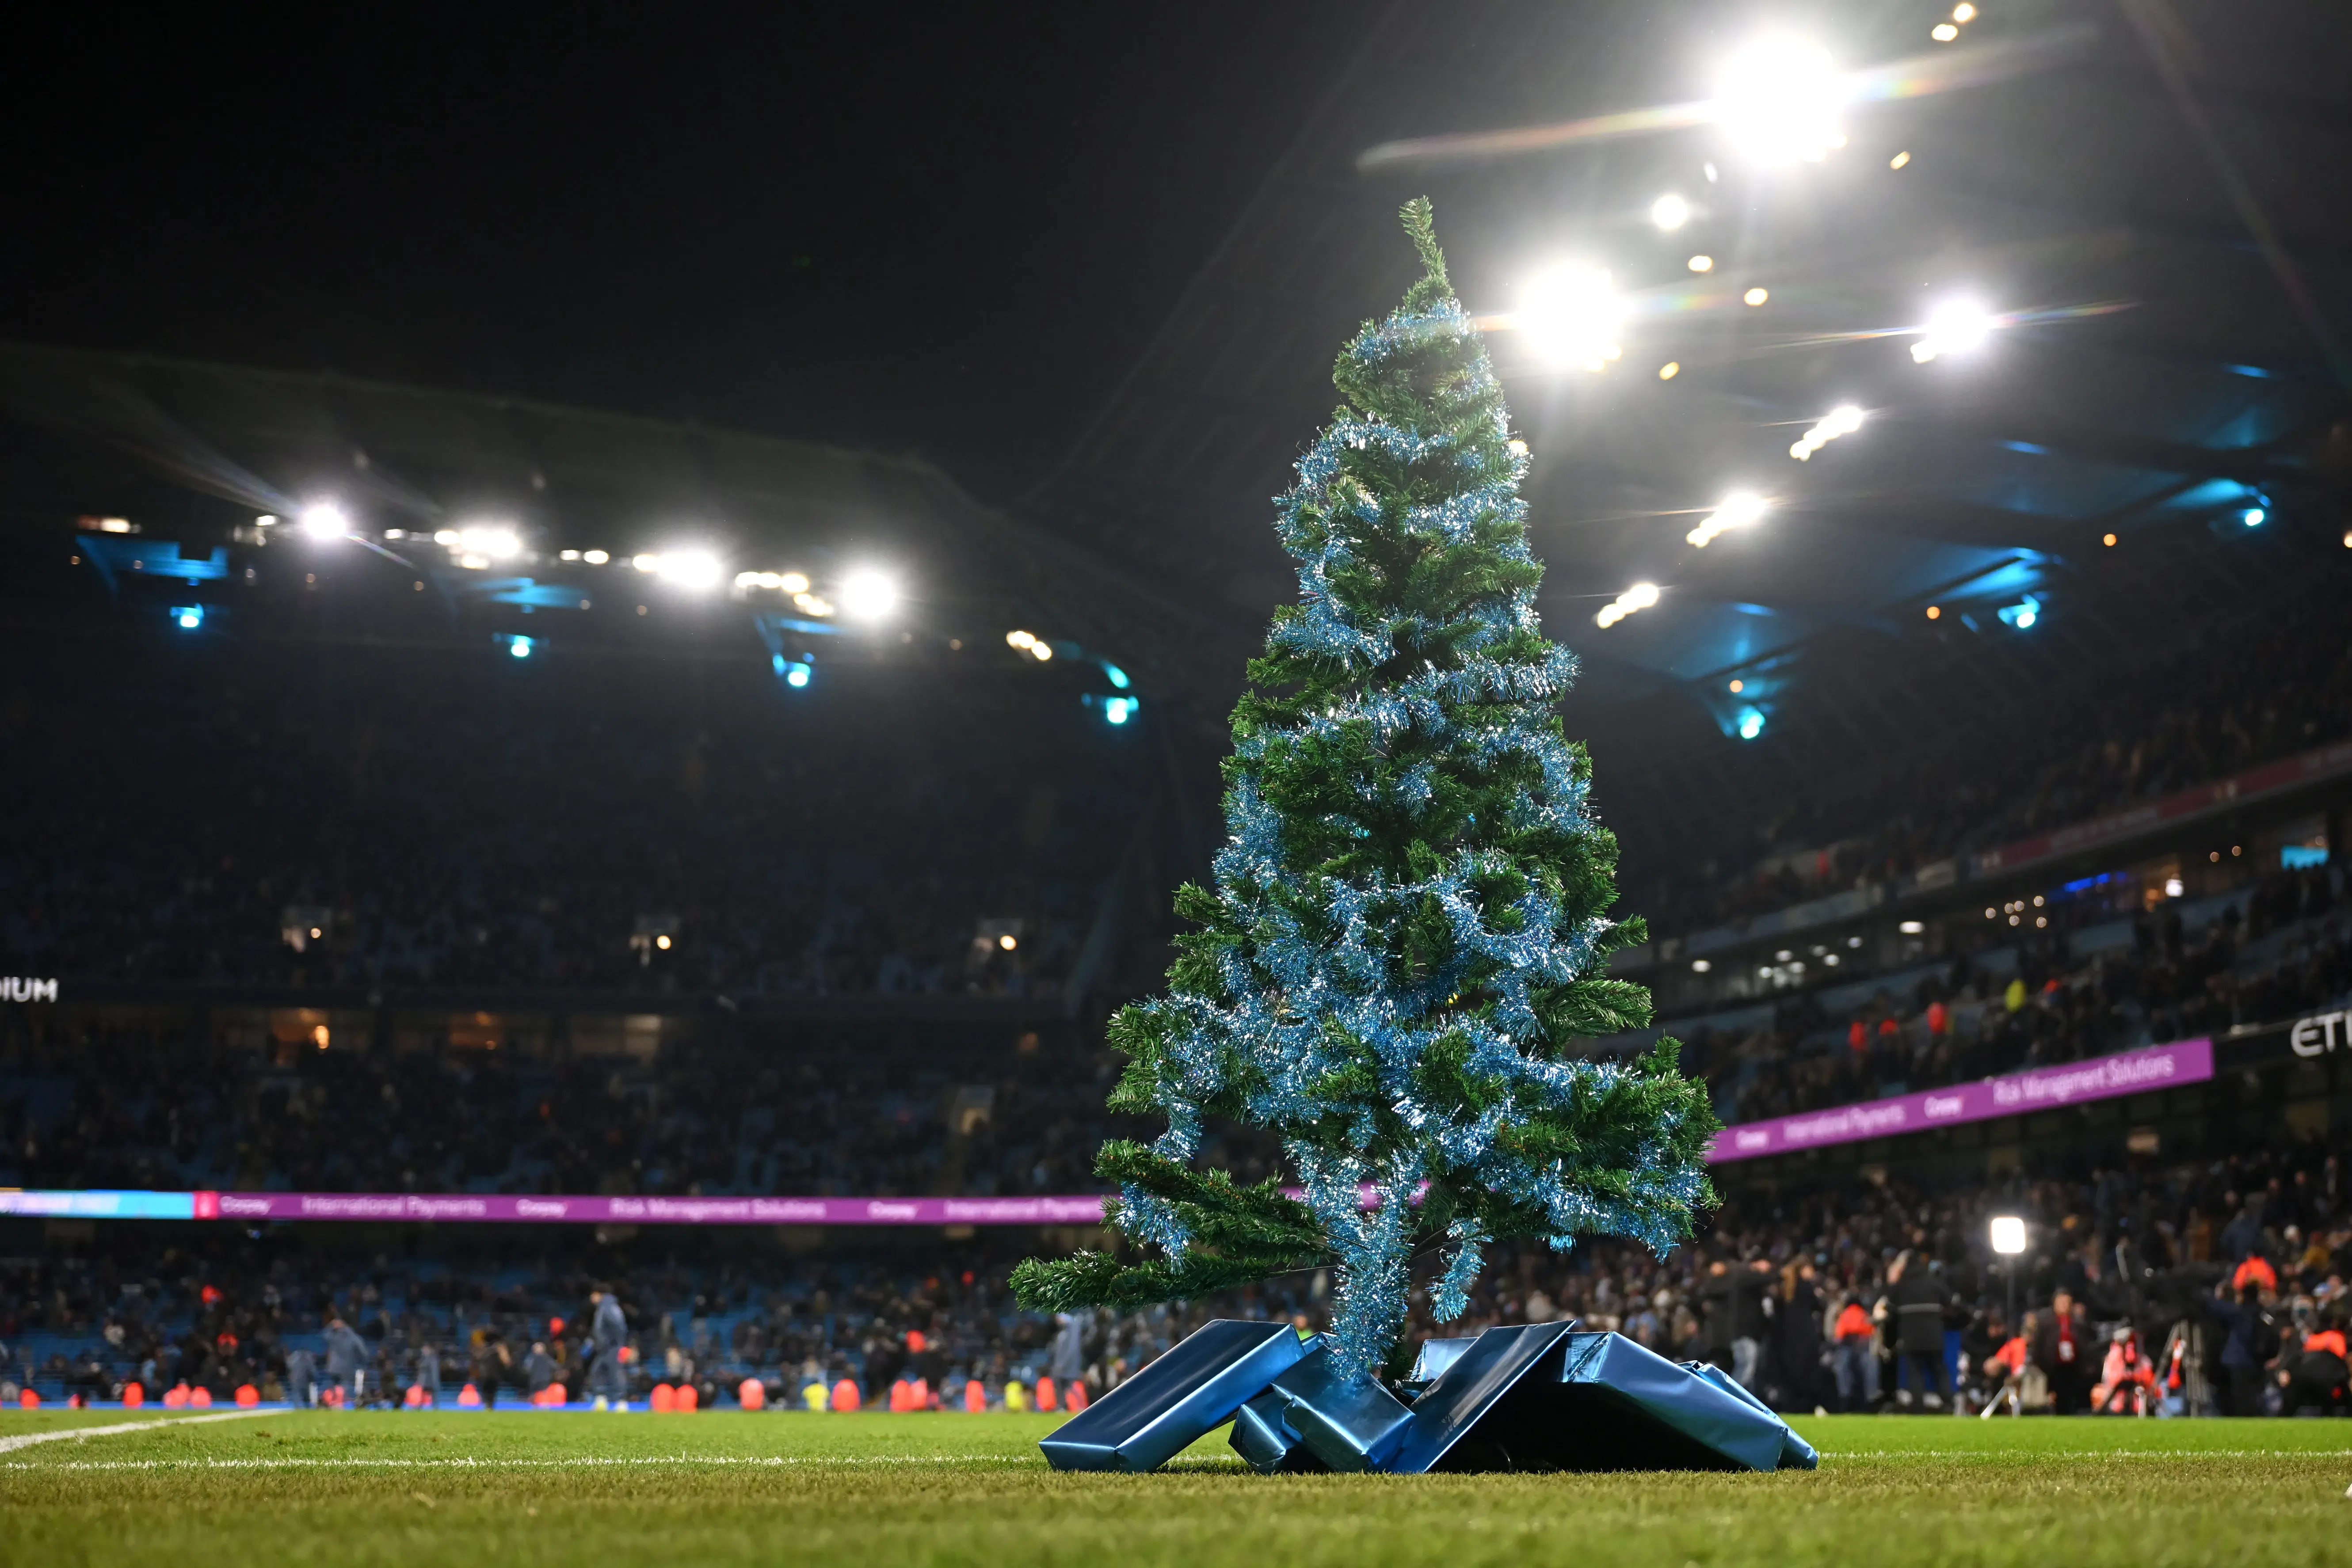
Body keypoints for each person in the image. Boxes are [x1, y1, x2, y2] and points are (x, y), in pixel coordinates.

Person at [1887, 1250, 1950, 1412]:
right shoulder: (1933, 1282)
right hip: (1933, 1336)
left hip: (1911, 1337)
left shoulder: (1902, 1285)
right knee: (1939, 1369)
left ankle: (1918, 1407)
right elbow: (1948, 1299)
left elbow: (1890, 1301)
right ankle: (1948, 1404)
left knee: (1914, 1372)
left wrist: (1893, 1279)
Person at [2033, 1291, 2093, 1415]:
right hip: (2053, 1367)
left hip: (2074, 1367)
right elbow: (2038, 1346)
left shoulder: (2078, 1323)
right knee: (2058, 1397)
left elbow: (2085, 1344)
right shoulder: (2046, 1324)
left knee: (2072, 1397)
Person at [1830, 1291, 1878, 1412]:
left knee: (1842, 1367)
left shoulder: (1843, 1315)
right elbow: (1872, 1333)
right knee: (1870, 1368)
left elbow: (1837, 1336)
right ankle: (1871, 1401)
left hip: (1847, 1347)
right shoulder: (1864, 1315)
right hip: (1863, 1346)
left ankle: (1845, 1401)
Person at [587, 1287, 629, 1404]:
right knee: (597, 1371)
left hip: (611, 1348)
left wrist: (612, 1342)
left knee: (614, 1373)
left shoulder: (609, 1307)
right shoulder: (603, 1307)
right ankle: (602, 1398)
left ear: (598, 1294)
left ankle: (621, 1401)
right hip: (604, 1348)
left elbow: (619, 1326)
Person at [322, 1317, 368, 1406]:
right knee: (343, 1387)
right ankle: (340, 1404)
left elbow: (324, 1335)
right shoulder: (353, 1337)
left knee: (335, 1387)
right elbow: (364, 1352)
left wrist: (331, 1325)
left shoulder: (334, 1336)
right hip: (346, 1367)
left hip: (332, 1368)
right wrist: (361, 1362)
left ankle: (335, 1404)